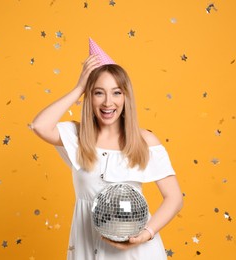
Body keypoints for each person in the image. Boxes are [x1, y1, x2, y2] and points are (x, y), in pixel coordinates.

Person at [31, 39, 183, 260]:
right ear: (89, 97)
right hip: (88, 248)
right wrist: (79, 87)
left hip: (137, 251)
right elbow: (39, 126)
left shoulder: (144, 140)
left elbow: (174, 197)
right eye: (98, 92)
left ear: (126, 97)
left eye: (116, 93)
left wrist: (146, 234)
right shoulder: (77, 136)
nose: (108, 102)